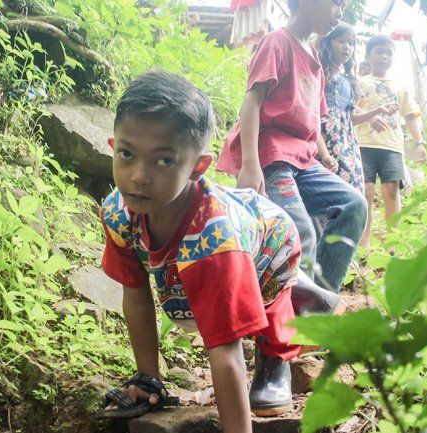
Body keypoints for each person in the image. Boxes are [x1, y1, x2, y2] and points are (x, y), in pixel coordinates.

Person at [98, 70, 344, 433]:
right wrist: (148, 378)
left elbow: (226, 352)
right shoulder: (119, 212)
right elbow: (135, 293)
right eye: (127, 154)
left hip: (269, 241)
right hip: (220, 237)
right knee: (188, 300)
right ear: (112, 145)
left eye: (163, 160)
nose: (138, 176)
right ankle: (299, 290)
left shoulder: (216, 241)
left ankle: (290, 313)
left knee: (265, 309)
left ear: (198, 167)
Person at [217, 0, 367, 293]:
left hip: (305, 161)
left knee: (355, 205)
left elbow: (313, 118)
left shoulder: (313, 58)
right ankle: (287, 329)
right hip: (273, 159)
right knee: (301, 234)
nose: (340, 12)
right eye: (337, 3)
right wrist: (250, 164)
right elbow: (252, 102)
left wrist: (324, 155)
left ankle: (316, 309)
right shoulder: (277, 42)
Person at [356, 35, 427, 248]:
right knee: (366, 191)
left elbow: (410, 115)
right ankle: (363, 247)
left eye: (388, 53)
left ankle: (393, 246)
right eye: (379, 52)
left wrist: (420, 142)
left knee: (391, 190)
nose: (384, 57)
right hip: (363, 144)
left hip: (392, 146)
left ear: (393, 57)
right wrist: (370, 115)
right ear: (368, 55)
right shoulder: (359, 83)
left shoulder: (401, 86)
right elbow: (349, 107)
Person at [317, 23, 404, 192]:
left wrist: (377, 111)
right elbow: (314, 114)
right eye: (341, 41)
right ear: (327, 42)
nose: (347, 47)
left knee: (354, 190)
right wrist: (323, 151)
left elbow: (350, 118)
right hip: (323, 139)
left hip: (347, 144)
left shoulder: (348, 80)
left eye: (351, 43)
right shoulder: (319, 72)